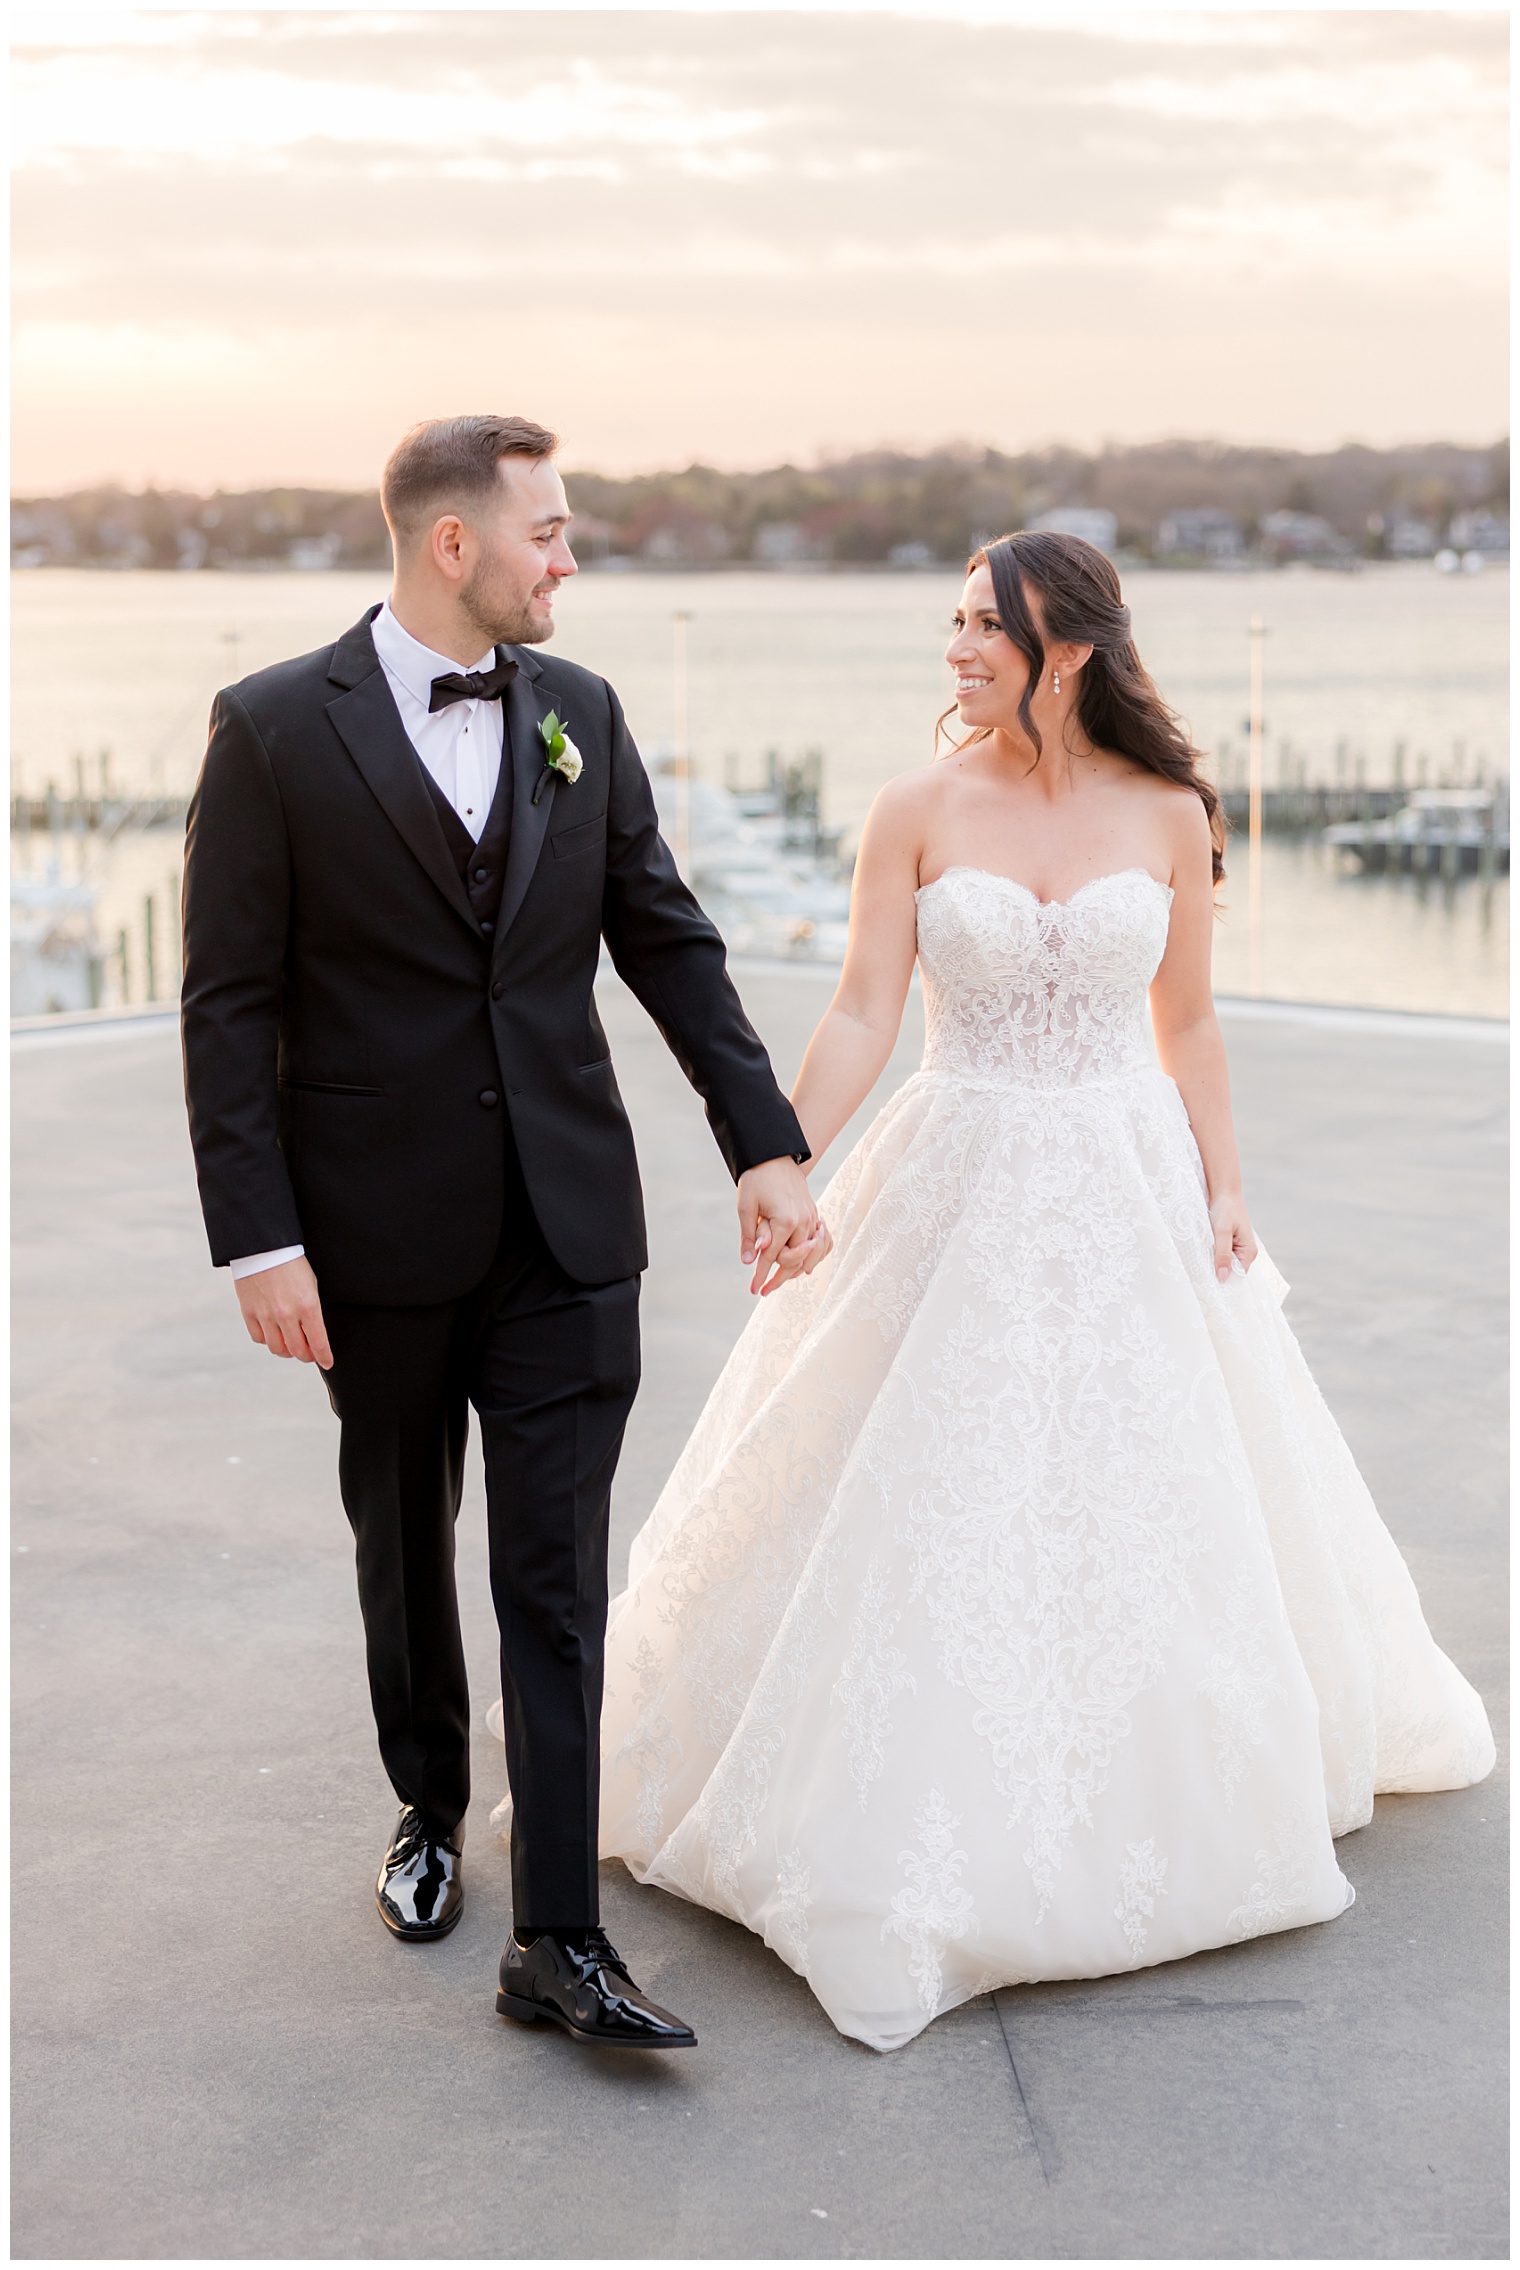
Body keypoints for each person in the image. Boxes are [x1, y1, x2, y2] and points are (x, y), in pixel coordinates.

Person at [596, 530, 1495, 2053]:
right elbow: (867, 1002)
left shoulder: (1171, 809)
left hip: (1127, 1173)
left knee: (1146, 1486)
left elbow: (1191, 1022)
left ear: (1064, 647)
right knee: (932, 1484)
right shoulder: (916, 807)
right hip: (956, 1163)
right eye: (948, 620)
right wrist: (790, 1160)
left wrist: (1221, 1181)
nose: (952, 647)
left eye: (980, 624)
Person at [181, 412, 829, 2051]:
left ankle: (558, 1931)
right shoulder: (270, 731)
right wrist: (259, 1241)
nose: (572, 558)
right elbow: (227, 1003)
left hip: (564, 1223)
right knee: (404, 1541)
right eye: (549, 530)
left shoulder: (582, 717)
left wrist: (762, 1137)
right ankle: (424, 1808)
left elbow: (665, 942)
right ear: (451, 544)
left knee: (556, 1574)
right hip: (369, 1234)